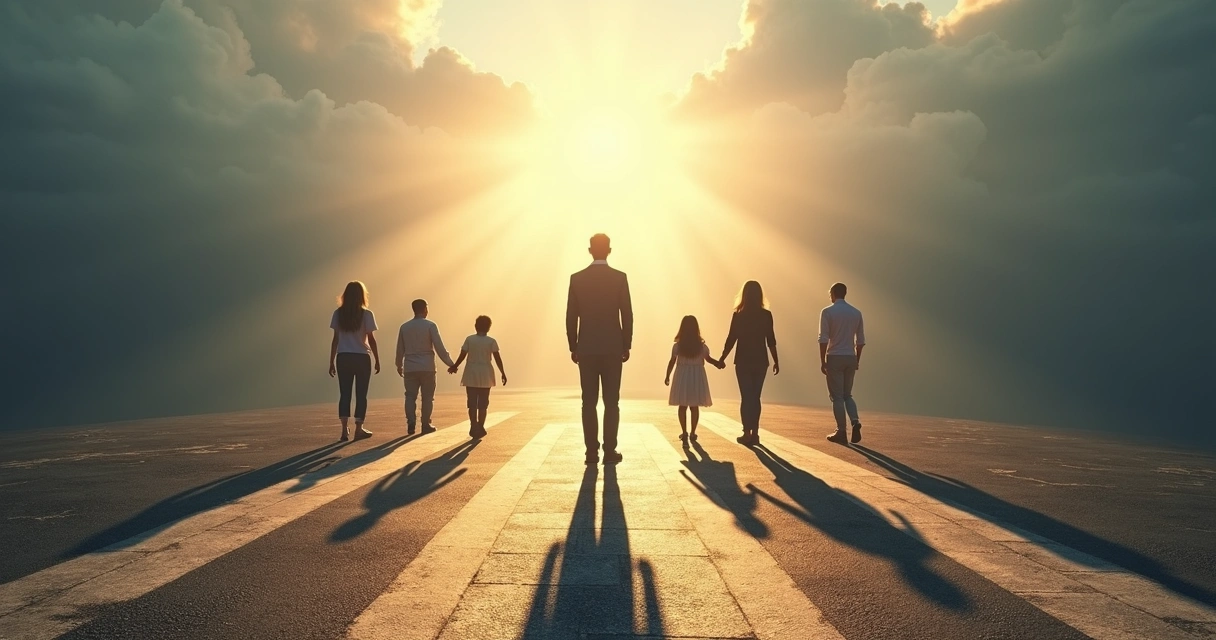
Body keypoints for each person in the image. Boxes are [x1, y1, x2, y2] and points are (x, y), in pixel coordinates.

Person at [566, 233, 633, 465]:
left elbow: (571, 316)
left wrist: (573, 345)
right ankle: (610, 450)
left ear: (590, 250)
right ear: (610, 250)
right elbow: (627, 313)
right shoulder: (620, 278)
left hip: (587, 348)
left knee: (589, 402)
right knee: (612, 402)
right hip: (613, 347)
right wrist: (626, 344)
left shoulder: (577, 279)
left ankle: (591, 452)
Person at [719, 280, 779, 446]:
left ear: (744, 295)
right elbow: (771, 340)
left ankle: (746, 433)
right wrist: (776, 360)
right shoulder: (766, 315)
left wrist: (722, 358)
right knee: (756, 397)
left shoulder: (739, 315)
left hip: (743, 360)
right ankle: (755, 433)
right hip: (761, 360)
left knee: (746, 397)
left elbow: (731, 338)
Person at [395, 299, 456, 435]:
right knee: (427, 397)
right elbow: (439, 347)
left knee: (410, 396)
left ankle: (410, 422)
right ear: (424, 309)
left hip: (410, 366)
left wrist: (399, 365)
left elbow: (400, 348)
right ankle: (425, 424)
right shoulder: (430, 326)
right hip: (427, 366)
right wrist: (451, 364)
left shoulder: (404, 327)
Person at [328, 281, 380, 441]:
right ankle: (359, 428)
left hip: (343, 356)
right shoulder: (367, 314)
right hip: (361, 357)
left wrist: (331, 361)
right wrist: (377, 359)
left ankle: (344, 430)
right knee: (361, 394)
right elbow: (371, 339)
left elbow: (335, 339)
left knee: (345, 393)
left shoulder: (338, 313)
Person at [665, 316, 724, 445]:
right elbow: (708, 359)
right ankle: (693, 432)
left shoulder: (678, 346)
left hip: (682, 375)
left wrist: (667, 375)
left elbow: (672, 361)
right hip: (696, 375)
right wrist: (718, 363)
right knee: (694, 405)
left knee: (682, 404)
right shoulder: (701, 347)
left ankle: (684, 432)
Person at [820, 282, 866, 444]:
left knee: (837, 397)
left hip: (835, 355)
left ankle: (841, 431)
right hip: (850, 356)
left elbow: (823, 338)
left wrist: (822, 360)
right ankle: (855, 421)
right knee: (848, 395)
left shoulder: (827, 312)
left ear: (833, 293)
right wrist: (857, 360)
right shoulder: (856, 313)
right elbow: (860, 341)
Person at [448, 315, 507, 439]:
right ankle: (481, 425)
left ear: (475, 326)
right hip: (486, 373)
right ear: (489, 328)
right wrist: (502, 372)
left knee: (472, 402)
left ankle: (473, 424)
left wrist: (454, 366)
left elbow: (462, 355)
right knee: (483, 403)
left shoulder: (469, 339)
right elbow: (497, 358)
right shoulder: (491, 341)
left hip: (471, 373)